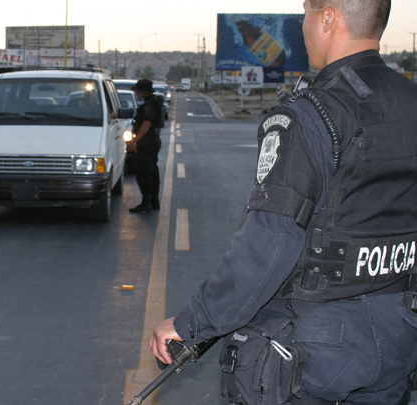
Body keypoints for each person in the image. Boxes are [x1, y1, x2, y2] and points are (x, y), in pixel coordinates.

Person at [150, 1, 417, 404]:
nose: (304, 26)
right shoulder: (409, 100)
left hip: (318, 351)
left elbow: (269, 245)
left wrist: (192, 323)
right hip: (399, 335)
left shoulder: (313, 114)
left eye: (307, 14)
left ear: (328, 18)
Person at [127, 79, 163, 213]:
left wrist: (135, 141)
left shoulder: (149, 105)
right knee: (152, 171)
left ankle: (146, 203)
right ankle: (154, 201)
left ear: (143, 92)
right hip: (152, 141)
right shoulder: (154, 102)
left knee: (144, 172)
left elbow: (146, 124)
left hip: (147, 142)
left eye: (137, 90)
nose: (136, 92)